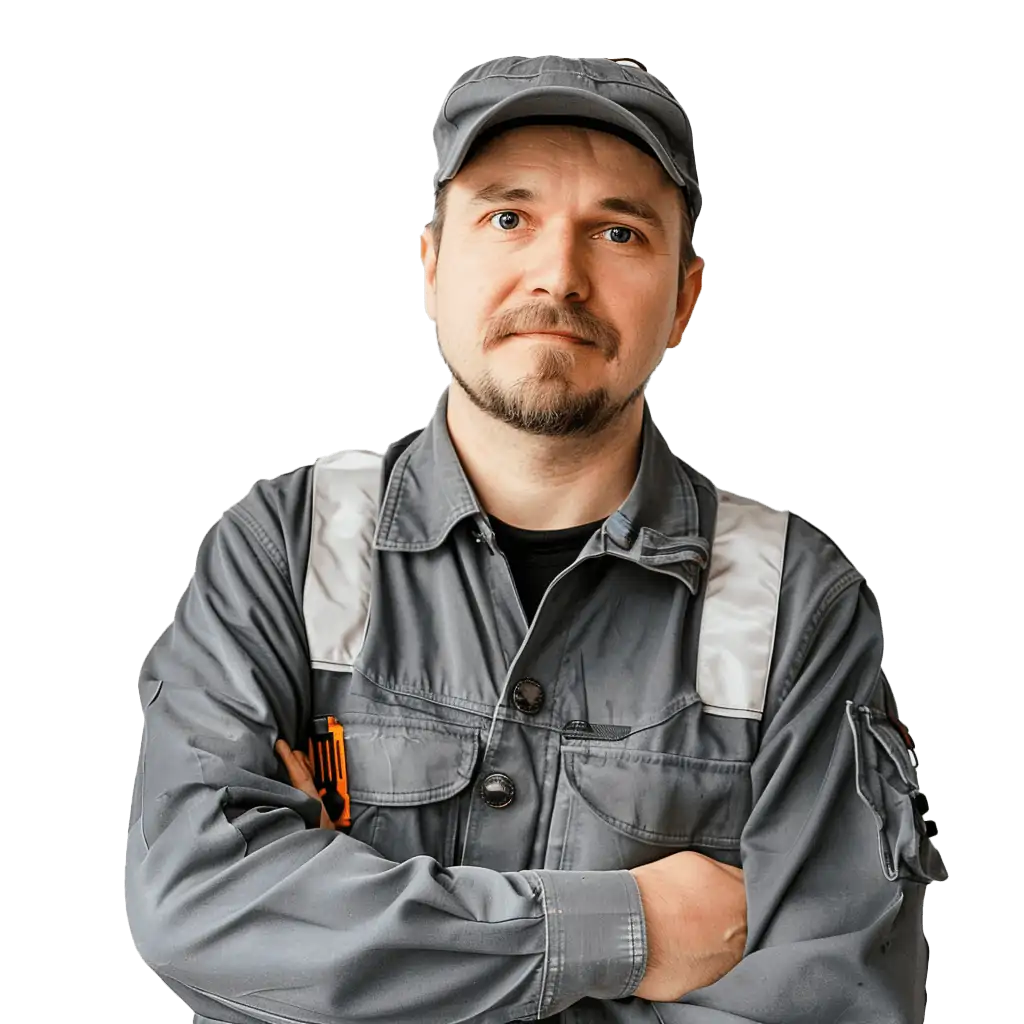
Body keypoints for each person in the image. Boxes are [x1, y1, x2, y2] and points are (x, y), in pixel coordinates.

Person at [125, 55, 946, 1023]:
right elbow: (198, 906)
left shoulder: (799, 604)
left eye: (618, 231)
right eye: (508, 217)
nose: (558, 275)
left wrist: (338, 942)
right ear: (432, 262)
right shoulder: (280, 547)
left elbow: (828, 1003)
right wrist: (630, 928)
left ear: (685, 298)